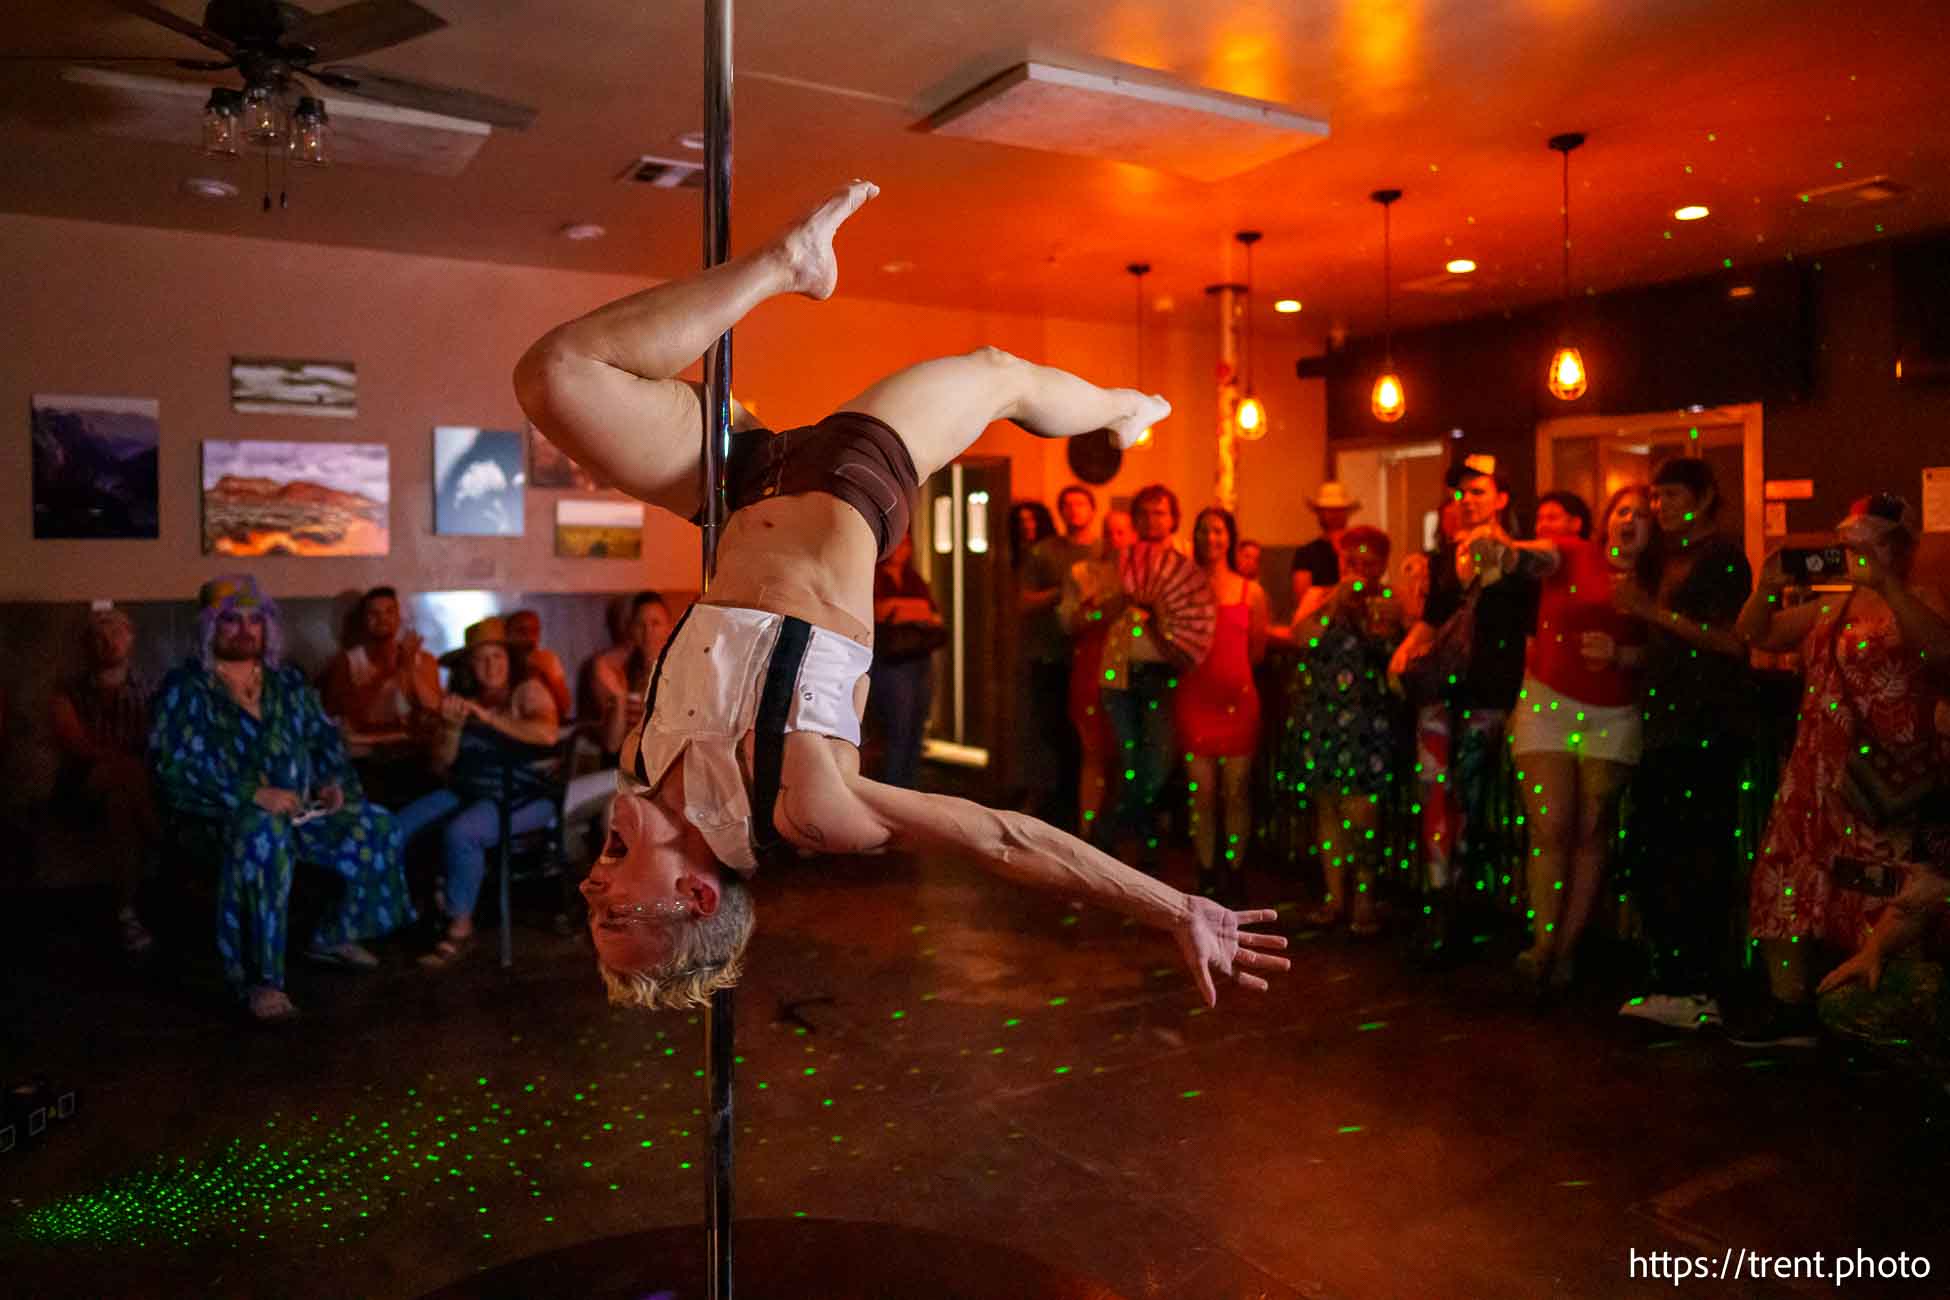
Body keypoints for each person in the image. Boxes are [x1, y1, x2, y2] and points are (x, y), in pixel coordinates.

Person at [513, 179, 1286, 1012]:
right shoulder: (807, 806)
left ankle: (783, 266)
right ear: (697, 898)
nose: (593, 891)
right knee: (999, 375)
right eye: (619, 914)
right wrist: (1173, 906)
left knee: (554, 377)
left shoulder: (640, 761)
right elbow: (1001, 839)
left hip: (733, 477)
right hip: (855, 470)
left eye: (594, 910)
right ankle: (1125, 412)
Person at [1731, 493, 1950, 1047]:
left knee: (1880, 883)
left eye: (1864, 542)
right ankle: (1792, 1008)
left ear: (1897, 548)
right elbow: (1757, 633)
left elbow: (1942, 653)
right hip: (1815, 771)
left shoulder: (1921, 599)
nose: (1850, 553)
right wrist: (1765, 590)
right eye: (1845, 542)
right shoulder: (1831, 608)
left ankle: (1876, 1005)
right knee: (1787, 875)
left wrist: (1887, 587)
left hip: (1885, 775)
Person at [149, 576, 413, 1022]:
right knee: (263, 836)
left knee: (379, 825)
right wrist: (252, 795)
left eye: (256, 620)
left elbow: (324, 741)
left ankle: (333, 935)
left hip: (297, 812)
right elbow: (171, 768)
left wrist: (332, 783)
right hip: (217, 820)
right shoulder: (185, 689)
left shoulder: (287, 684)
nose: (246, 630)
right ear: (211, 627)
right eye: (231, 620)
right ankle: (260, 979)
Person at [1473, 486, 1658, 988]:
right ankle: (1542, 942)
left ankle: (1568, 950)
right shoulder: (1577, 554)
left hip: (1616, 712)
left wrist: (1625, 657)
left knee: (1592, 830)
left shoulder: (1658, 578)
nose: (1630, 520)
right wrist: (1507, 552)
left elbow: (1672, 649)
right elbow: (1537, 559)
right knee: (1551, 825)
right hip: (1550, 703)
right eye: (1622, 510)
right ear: (1605, 518)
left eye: (1642, 514)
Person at [1612, 459, 1754, 1030]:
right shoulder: (1665, 559)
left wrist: (1652, 613)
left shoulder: (1721, 557)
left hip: (1707, 725)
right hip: (1667, 724)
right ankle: (1673, 976)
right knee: (1654, 850)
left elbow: (1731, 642)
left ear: (1706, 495)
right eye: (1657, 496)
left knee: (1696, 854)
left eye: (1672, 494)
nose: (1662, 506)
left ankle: (1698, 986)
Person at [1389, 456, 1535, 926]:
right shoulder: (1442, 558)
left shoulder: (1518, 560)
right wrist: (1406, 649)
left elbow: (1527, 634)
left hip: (1489, 692)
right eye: (1463, 492)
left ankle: (1461, 901)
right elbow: (1432, 622)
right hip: (1439, 691)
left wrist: (1526, 698)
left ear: (1501, 498)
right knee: (1433, 790)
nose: (1468, 500)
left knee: (1468, 797)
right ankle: (1438, 899)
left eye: (1479, 491)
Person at [395, 617, 562, 967]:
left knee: (462, 832)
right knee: (398, 826)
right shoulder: (463, 699)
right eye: (482, 658)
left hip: (526, 795)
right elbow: (442, 764)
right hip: (472, 790)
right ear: (470, 665)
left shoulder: (527, 689)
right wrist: (452, 729)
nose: (490, 666)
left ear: (509, 659)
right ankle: (404, 912)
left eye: (497, 657)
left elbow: (546, 733)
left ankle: (460, 928)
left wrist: (488, 719)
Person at [1290, 527, 1407, 934]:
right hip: (1323, 716)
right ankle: (1334, 897)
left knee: (1362, 812)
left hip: (1367, 719)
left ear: (1382, 565)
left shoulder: (1390, 602)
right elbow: (1301, 637)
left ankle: (1365, 899)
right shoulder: (1319, 596)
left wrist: (1388, 625)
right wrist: (1334, 601)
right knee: (1328, 808)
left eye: (1368, 563)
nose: (1358, 570)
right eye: (1350, 561)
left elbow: (1399, 654)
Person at [1101, 483, 1208, 872]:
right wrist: (1121, 599)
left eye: (1160, 512)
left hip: (1165, 671)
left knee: (1158, 763)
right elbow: (1096, 611)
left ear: (1173, 517)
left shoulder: (1187, 560)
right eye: (1144, 513)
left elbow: (1196, 614)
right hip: (1119, 671)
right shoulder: (1119, 560)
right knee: (1131, 759)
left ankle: (1109, 836)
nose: (1152, 520)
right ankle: (1141, 843)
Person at [48, 605, 158, 956]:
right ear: (87, 645)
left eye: (116, 633)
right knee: (123, 773)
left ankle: (126, 913)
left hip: (130, 790)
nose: (108, 641)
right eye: (99, 635)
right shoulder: (68, 692)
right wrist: (124, 761)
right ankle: (162, 836)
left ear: (131, 639)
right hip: (81, 786)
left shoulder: (149, 689)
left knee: (122, 803)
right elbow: (76, 744)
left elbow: (161, 741)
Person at [1174, 507, 1269, 903]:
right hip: (1195, 697)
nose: (1209, 538)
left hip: (1238, 700)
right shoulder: (1181, 589)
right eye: (1202, 531)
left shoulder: (1252, 591)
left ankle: (1234, 869)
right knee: (1202, 791)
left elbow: (1258, 651)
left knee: (1236, 790)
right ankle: (1206, 870)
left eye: (1216, 531)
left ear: (1229, 537)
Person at [1018, 484, 1098, 825]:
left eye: (1080, 504)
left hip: (1092, 658)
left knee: (1088, 737)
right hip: (1051, 656)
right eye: (1067, 504)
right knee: (1052, 732)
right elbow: (1023, 601)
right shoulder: (1043, 552)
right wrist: (1061, 592)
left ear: (1092, 510)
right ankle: (1057, 804)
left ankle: (1085, 809)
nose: (1074, 510)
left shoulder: (1102, 551)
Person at [1060, 508, 1136, 843]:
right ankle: (1088, 830)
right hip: (1092, 665)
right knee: (1093, 752)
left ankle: (1117, 828)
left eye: (1123, 532)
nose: (1116, 539)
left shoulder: (1142, 575)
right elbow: (1068, 622)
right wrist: (1098, 608)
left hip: (1130, 669)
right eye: (1110, 531)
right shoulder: (1083, 573)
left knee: (1125, 754)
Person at [868, 531, 943, 788]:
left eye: (907, 543)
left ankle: (909, 786)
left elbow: (934, 615)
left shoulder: (914, 579)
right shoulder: (874, 577)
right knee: (896, 728)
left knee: (916, 725)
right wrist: (912, 610)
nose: (902, 548)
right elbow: (877, 611)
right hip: (891, 661)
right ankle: (892, 788)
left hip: (919, 658)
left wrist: (901, 609)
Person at [319, 586, 442, 736]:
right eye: (374, 613)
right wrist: (390, 671)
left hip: (412, 750)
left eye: (389, 612)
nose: (382, 619)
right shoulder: (346, 662)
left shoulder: (423, 660)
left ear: (398, 617)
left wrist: (409, 667)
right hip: (364, 751)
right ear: (364, 620)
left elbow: (436, 709)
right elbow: (336, 715)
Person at [1289, 481, 1359, 620]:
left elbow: (1363, 589)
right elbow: (1304, 599)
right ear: (1319, 514)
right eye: (1329, 510)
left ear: (1346, 513)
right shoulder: (1306, 553)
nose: (1334, 515)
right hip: (1318, 627)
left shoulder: (1358, 550)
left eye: (1339, 510)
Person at [507, 609, 576, 720]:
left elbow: (564, 708)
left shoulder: (548, 659)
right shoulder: (501, 662)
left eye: (534, 631)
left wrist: (547, 674)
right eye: (521, 631)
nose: (529, 637)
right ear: (507, 634)